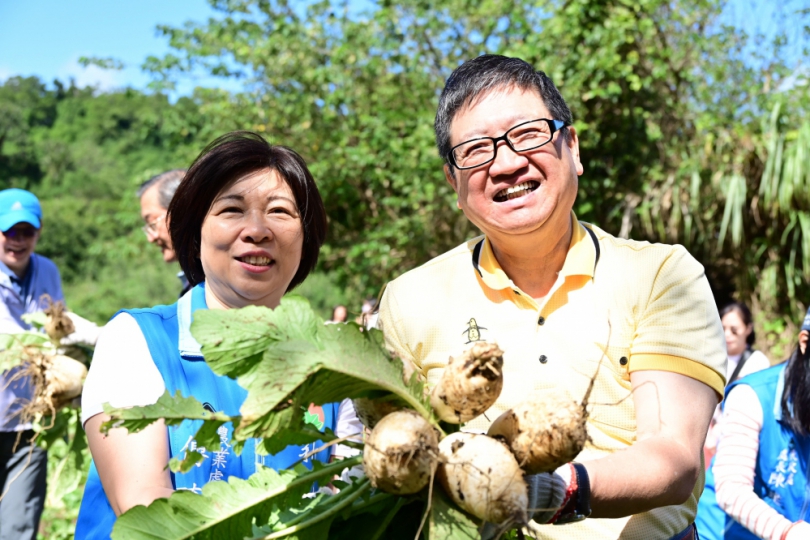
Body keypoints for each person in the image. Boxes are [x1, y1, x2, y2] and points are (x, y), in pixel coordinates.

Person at [377, 55, 726, 539]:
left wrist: (557, 492)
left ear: (573, 147)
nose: (506, 163)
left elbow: (674, 456)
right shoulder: (408, 299)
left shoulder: (663, 275)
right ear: (453, 184)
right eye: (477, 150)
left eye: (527, 135)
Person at [75, 132, 348, 539]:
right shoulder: (137, 340)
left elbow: (342, 501)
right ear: (195, 229)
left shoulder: (329, 366)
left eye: (280, 211)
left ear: (305, 236)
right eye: (232, 209)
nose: (257, 230)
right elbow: (148, 507)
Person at [695, 309, 810, 540]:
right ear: (805, 342)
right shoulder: (752, 396)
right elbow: (731, 490)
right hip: (726, 533)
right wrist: (788, 532)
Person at [0, 188, 63, 540]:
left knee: (18, 527)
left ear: (38, 232)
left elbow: (57, 327)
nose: (18, 240)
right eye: (9, 231)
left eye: (27, 231)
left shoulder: (48, 271)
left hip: (30, 421)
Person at [704, 301, 771, 460]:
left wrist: (720, 429)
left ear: (748, 329)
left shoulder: (757, 362)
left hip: (736, 435)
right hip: (706, 433)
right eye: (723, 328)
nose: (727, 335)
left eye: (734, 330)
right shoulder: (709, 356)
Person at [137, 169, 190, 293]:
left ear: (181, 211)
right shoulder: (196, 280)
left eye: (152, 223)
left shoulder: (217, 284)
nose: (151, 238)